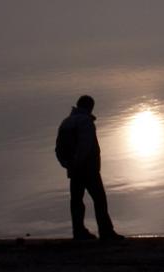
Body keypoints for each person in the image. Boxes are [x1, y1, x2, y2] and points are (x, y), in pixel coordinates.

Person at [55, 95, 123, 241]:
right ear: (90, 107)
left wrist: (66, 164)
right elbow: (85, 146)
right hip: (88, 169)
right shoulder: (85, 122)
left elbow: (58, 148)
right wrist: (79, 162)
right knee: (99, 200)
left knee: (76, 201)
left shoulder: (66, 122)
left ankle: (78, 232)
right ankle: (106, 232)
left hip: (73, 169)